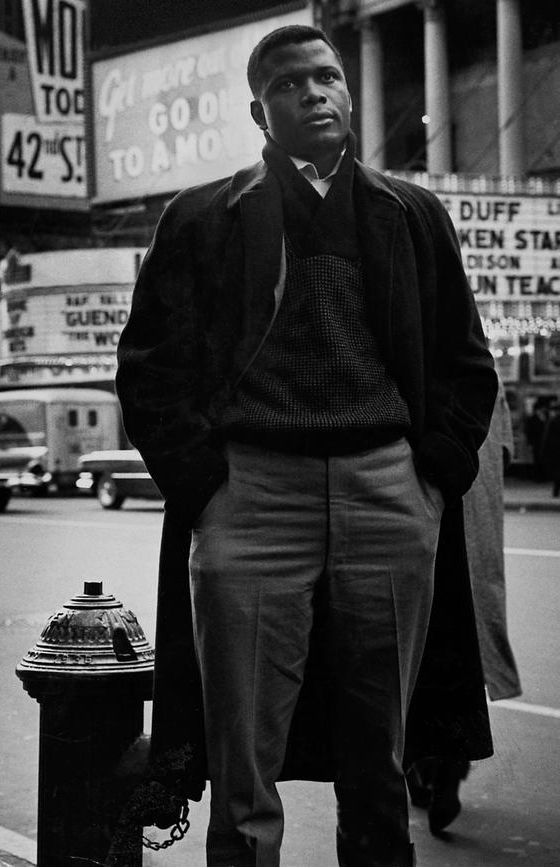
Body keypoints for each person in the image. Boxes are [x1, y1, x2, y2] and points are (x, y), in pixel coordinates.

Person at [115, 25, 497, 867]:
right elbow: (149, 368)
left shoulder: (411, 212)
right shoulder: (203, 216)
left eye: (327, 76)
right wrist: (203, 482)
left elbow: (468, 366)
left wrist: (431, 476)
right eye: (290, 84)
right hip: (250, 494)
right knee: (242, 760)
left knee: (380, 756)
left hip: (387, 491)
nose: (315, 92)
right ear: (259, 110)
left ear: (349, 94)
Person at [406, 377, 522, 834]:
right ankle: (447, 768)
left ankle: (421, 765)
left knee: (416, 644)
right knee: (462, 641)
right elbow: (506, 453)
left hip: (424, 509)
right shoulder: (481, 374)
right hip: (473, 519)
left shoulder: (424, 360)